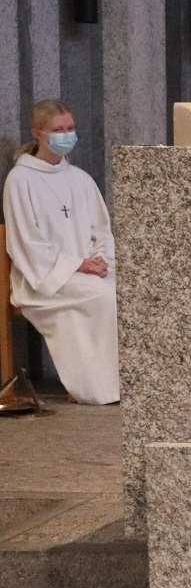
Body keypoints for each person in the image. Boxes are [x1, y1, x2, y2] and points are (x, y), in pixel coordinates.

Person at [2, 100, 119, 405]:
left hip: (86, 272)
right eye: (58, 130)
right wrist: (78, 265)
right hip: (44, 278)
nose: (67, 135)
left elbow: (101, 231)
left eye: (70, 128)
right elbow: (27, 242)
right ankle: (99, 387)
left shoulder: (80, 179)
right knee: (104, 295)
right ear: (38, 133)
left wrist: (101, 261)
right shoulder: (20, 180)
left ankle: (123, 381)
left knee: (124, 290)